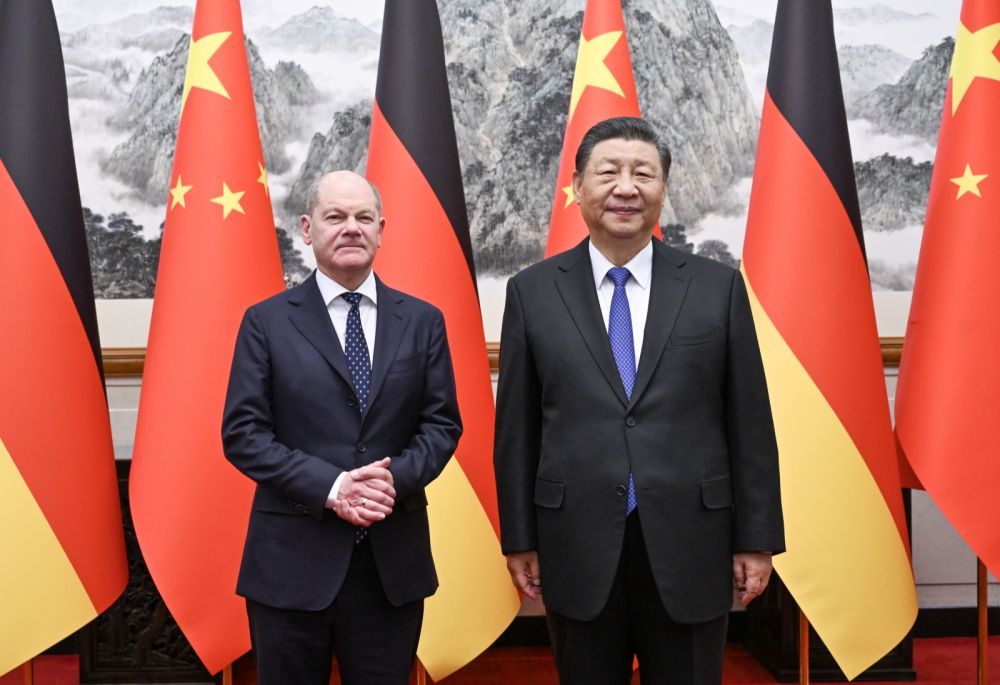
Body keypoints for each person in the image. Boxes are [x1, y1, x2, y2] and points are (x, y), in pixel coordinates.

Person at [494, 117, 784, 685]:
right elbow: (517, 431)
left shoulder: (716, 287)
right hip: (575, 541)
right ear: (578, 186)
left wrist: (758, 540)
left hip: (692, 540)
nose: (626, 188)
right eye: (608, 172)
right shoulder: (532, 291)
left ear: (663, 189)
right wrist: (519, 537)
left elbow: (749, 422)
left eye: (643, 174)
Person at [222, 170, 462, 685]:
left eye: (363, 217)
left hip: (389, 565)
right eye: (335, 217)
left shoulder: (423, 321)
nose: (351, 227)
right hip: (291, 566)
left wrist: (388, 482)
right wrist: (333, 487)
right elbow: (243, 433)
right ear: (307, 229)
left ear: (381, 230)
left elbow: (441, 425)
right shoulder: (266, 322)